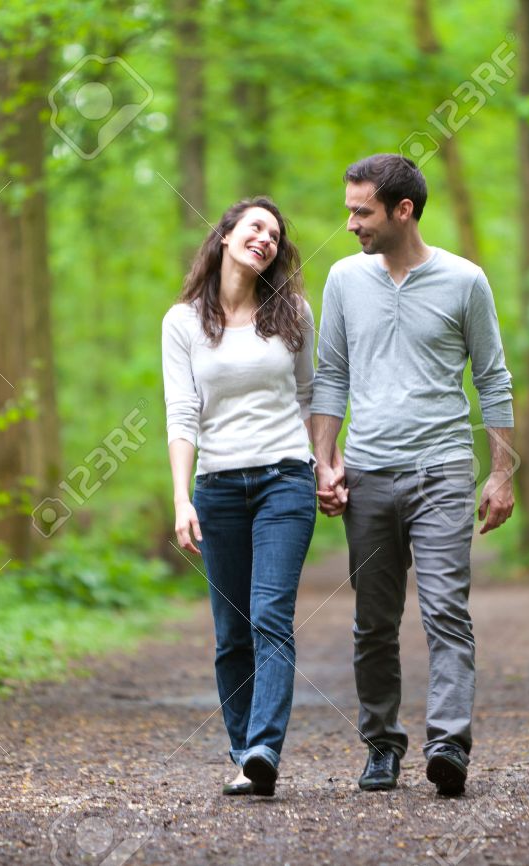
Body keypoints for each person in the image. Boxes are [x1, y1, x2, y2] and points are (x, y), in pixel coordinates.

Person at [311, 154, 515, 798]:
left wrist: (502, 472)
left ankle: (449, 741)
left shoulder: (465, 281)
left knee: (445, 610)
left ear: (403, 211)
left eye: (361, 210)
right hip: (369, 471)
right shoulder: (344, 279)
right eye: (349, 209)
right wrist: (326, 457)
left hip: (444, 469)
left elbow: (492, 378)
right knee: (373, 621)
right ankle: (381, 745)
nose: (350, 223)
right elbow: (331, 376)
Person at [162, 196, 322, 797]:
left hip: (285, 480)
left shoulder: (295, 314)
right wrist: (182, 498)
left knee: (270, 618)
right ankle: (244, 754)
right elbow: (182, 414)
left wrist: (321, 464)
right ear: (226, 236)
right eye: (256, 227)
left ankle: (264, 748)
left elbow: (311, 396)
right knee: (231, 634)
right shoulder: (181, 323)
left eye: (276, 236)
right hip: (218, 488)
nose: (267, 239)